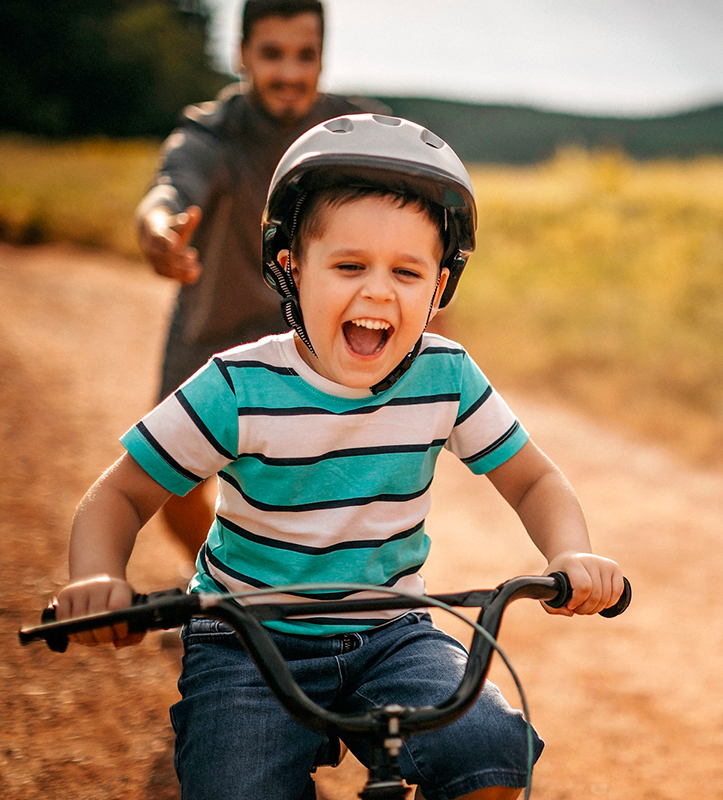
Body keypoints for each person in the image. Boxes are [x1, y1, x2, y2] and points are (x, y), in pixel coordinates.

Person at [56, 114, 625, 800]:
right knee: (234, 789)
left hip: (393, 631)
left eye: (407, 272)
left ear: (440, 288)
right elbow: (119, 495)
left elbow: (534, 480)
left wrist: (570, 552)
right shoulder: (239, 386)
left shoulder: (445, 376)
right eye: (349, 265)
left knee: (489, 752)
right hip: (249, 640)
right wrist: (97, 574)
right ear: (291, 268)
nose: (378, 291)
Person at [136, 0, 367, 558]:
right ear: (242, 55)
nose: (289, 73)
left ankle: (302, 613)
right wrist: (158, 230)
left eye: (305, 55)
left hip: (315, 340)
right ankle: (226, 593)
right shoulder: (212, 134)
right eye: (272, 54)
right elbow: (171, 187)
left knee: (324, 494)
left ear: (321, 59)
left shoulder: (354, 132)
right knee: (176, 489)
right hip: (212, 333)